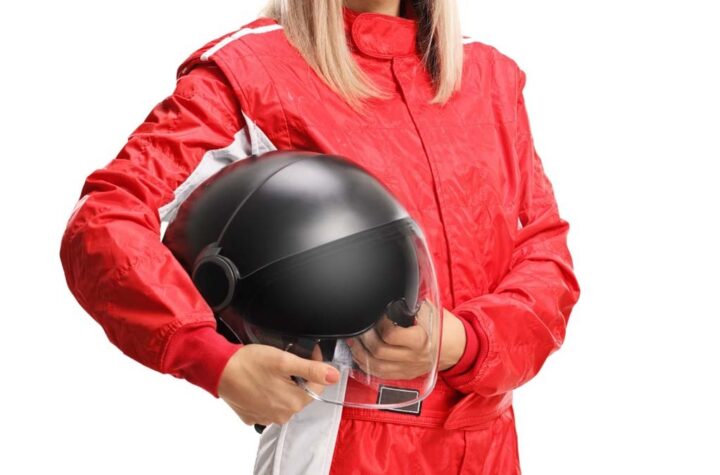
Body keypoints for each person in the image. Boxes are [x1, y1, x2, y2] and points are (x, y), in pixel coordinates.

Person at [59, 0, 581, 473]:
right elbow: (107, 218)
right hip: (338, 447)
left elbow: (545, 257)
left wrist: (464, 342)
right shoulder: (252, 72)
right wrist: (212, 358)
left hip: (492, 449)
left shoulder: (489, 77)